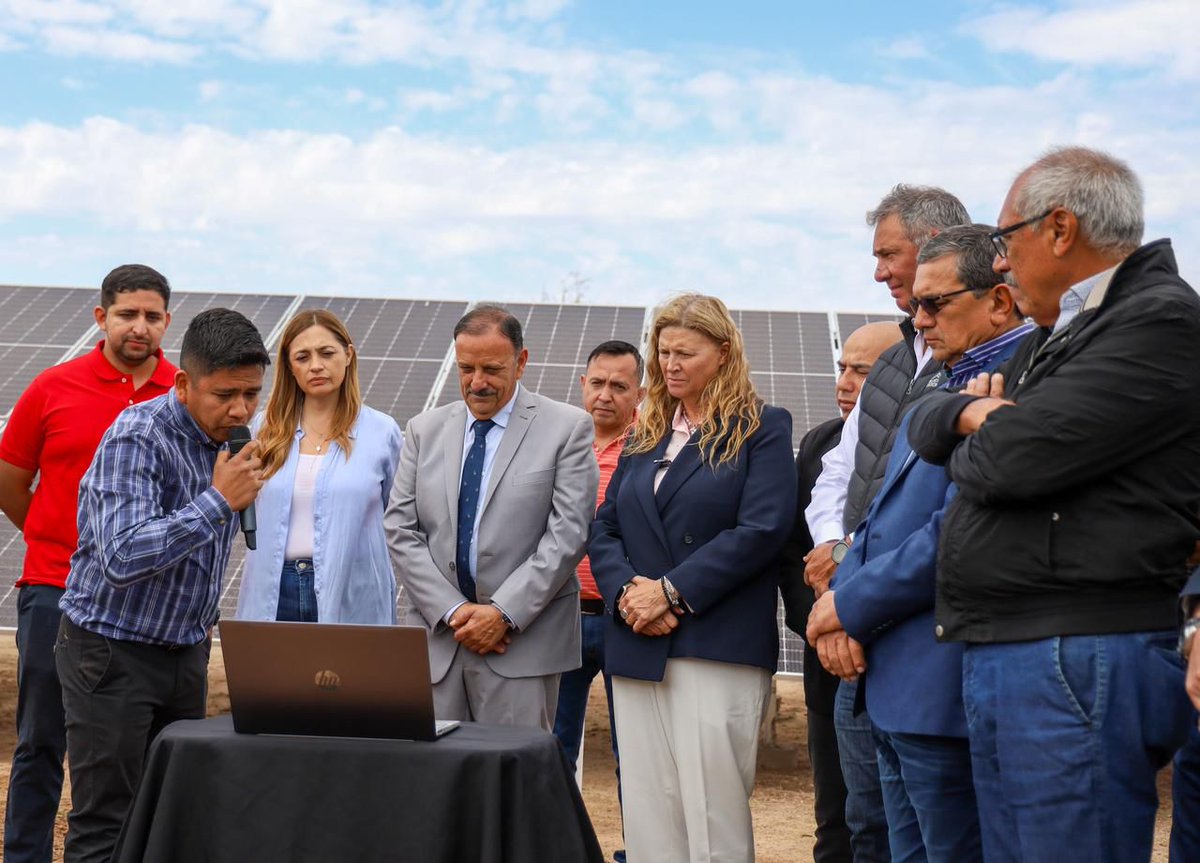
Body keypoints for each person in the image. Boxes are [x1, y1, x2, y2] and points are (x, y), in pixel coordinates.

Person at [907, 146, 1200, 863]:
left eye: (1005, 240)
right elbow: (929, 420)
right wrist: (967, 418)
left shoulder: (1159, 322)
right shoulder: (1059, 336)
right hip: (1024, 651)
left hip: (1074, 654)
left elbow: (1007, 461)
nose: (999, 263)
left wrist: (978, 430)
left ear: (1060, 228)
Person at [807, 225, 1033, 862]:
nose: (919, 318)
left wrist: (846, 607)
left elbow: (956, 534)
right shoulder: (941, 386)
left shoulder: (1020, 384)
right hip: (894, 678)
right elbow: (874, 521)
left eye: (936, 304)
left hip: (946, 683)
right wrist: (843, 605)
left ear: (998, 300)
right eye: (917, 305)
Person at [55, 308, 269, 863]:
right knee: (107, 819)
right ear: (183, 384)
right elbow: (123, 556)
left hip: (184, 652)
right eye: (225, 394)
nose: (241, 409)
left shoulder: (233, 441)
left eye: (252, 393)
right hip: (111, 652)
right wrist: (219, 501)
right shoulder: (137, 436)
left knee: (173, 810)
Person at [589, 293, 798, 863]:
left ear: (724, 352)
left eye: (686, 352)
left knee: (712, 813)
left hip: (715, 644)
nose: (671, 364)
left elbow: (761, 529)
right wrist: (630, 594)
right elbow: (604, 528)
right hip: (636, 642)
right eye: (664, 352)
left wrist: (671, 594)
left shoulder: (761, 427)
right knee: (651, 810)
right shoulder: (644, 432)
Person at [803, 184, 969, 862]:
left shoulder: (983, 369)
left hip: (921, 640)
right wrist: (834, 557)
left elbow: (946, 521)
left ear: (932, 248)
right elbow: (840, 477)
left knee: (936, 839)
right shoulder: (896, 362)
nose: (879, 272)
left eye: (887, 254)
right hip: (857, 628)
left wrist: (849, 597)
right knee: (870, 826)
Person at [0, 264, 176, 863]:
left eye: (152, 316)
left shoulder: (187, 392)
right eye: (128, 313)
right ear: (101, 317)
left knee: (134, 753)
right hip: (55, 589)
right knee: (41, 741)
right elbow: (12, 480)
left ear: (166, 323)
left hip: (145, 604)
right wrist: (62, 543)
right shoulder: (52, 387)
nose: (139, 327)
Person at [384, 304, 599, 730]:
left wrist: (503, 614)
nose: (477, 382)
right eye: (466, 368)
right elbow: (400, 529)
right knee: (437, 784)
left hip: (521, 646)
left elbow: (567, 534)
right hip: (439, 642)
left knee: (510, 784)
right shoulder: (423, 430)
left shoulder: (567, 428)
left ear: (521, 362)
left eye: (491, 368)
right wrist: (454, 611)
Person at [778, 320, 901, 863]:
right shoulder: (821, 443)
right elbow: (793, 550)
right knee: (836, 813)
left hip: (893, 649)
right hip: (825, 648)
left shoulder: (918, 442)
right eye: (842, 368)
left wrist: (854, 615)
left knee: (892, 816)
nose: (845, 382)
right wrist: (823, 623)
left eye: (863, 371)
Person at [236, 309, 403, 624]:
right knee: (271, 674)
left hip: (353, 589)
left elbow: (401, 521)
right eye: (302, 357)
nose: (316, 365)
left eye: (327, 353)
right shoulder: (261, 431)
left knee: (354, 674)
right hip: (274, 591)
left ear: (348, 355)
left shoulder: (382, 432)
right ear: (290, 366)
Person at [552, 339, 644, 863]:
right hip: (559, 618)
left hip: (623, 620)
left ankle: (639, 849)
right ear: (581, 384)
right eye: (597, 383)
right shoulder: (557, 445)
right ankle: (553, 844)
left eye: (619, 386)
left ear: (640, 393)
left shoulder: (652, 450)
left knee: (633, 751)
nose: (605, 395)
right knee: (552, 747)